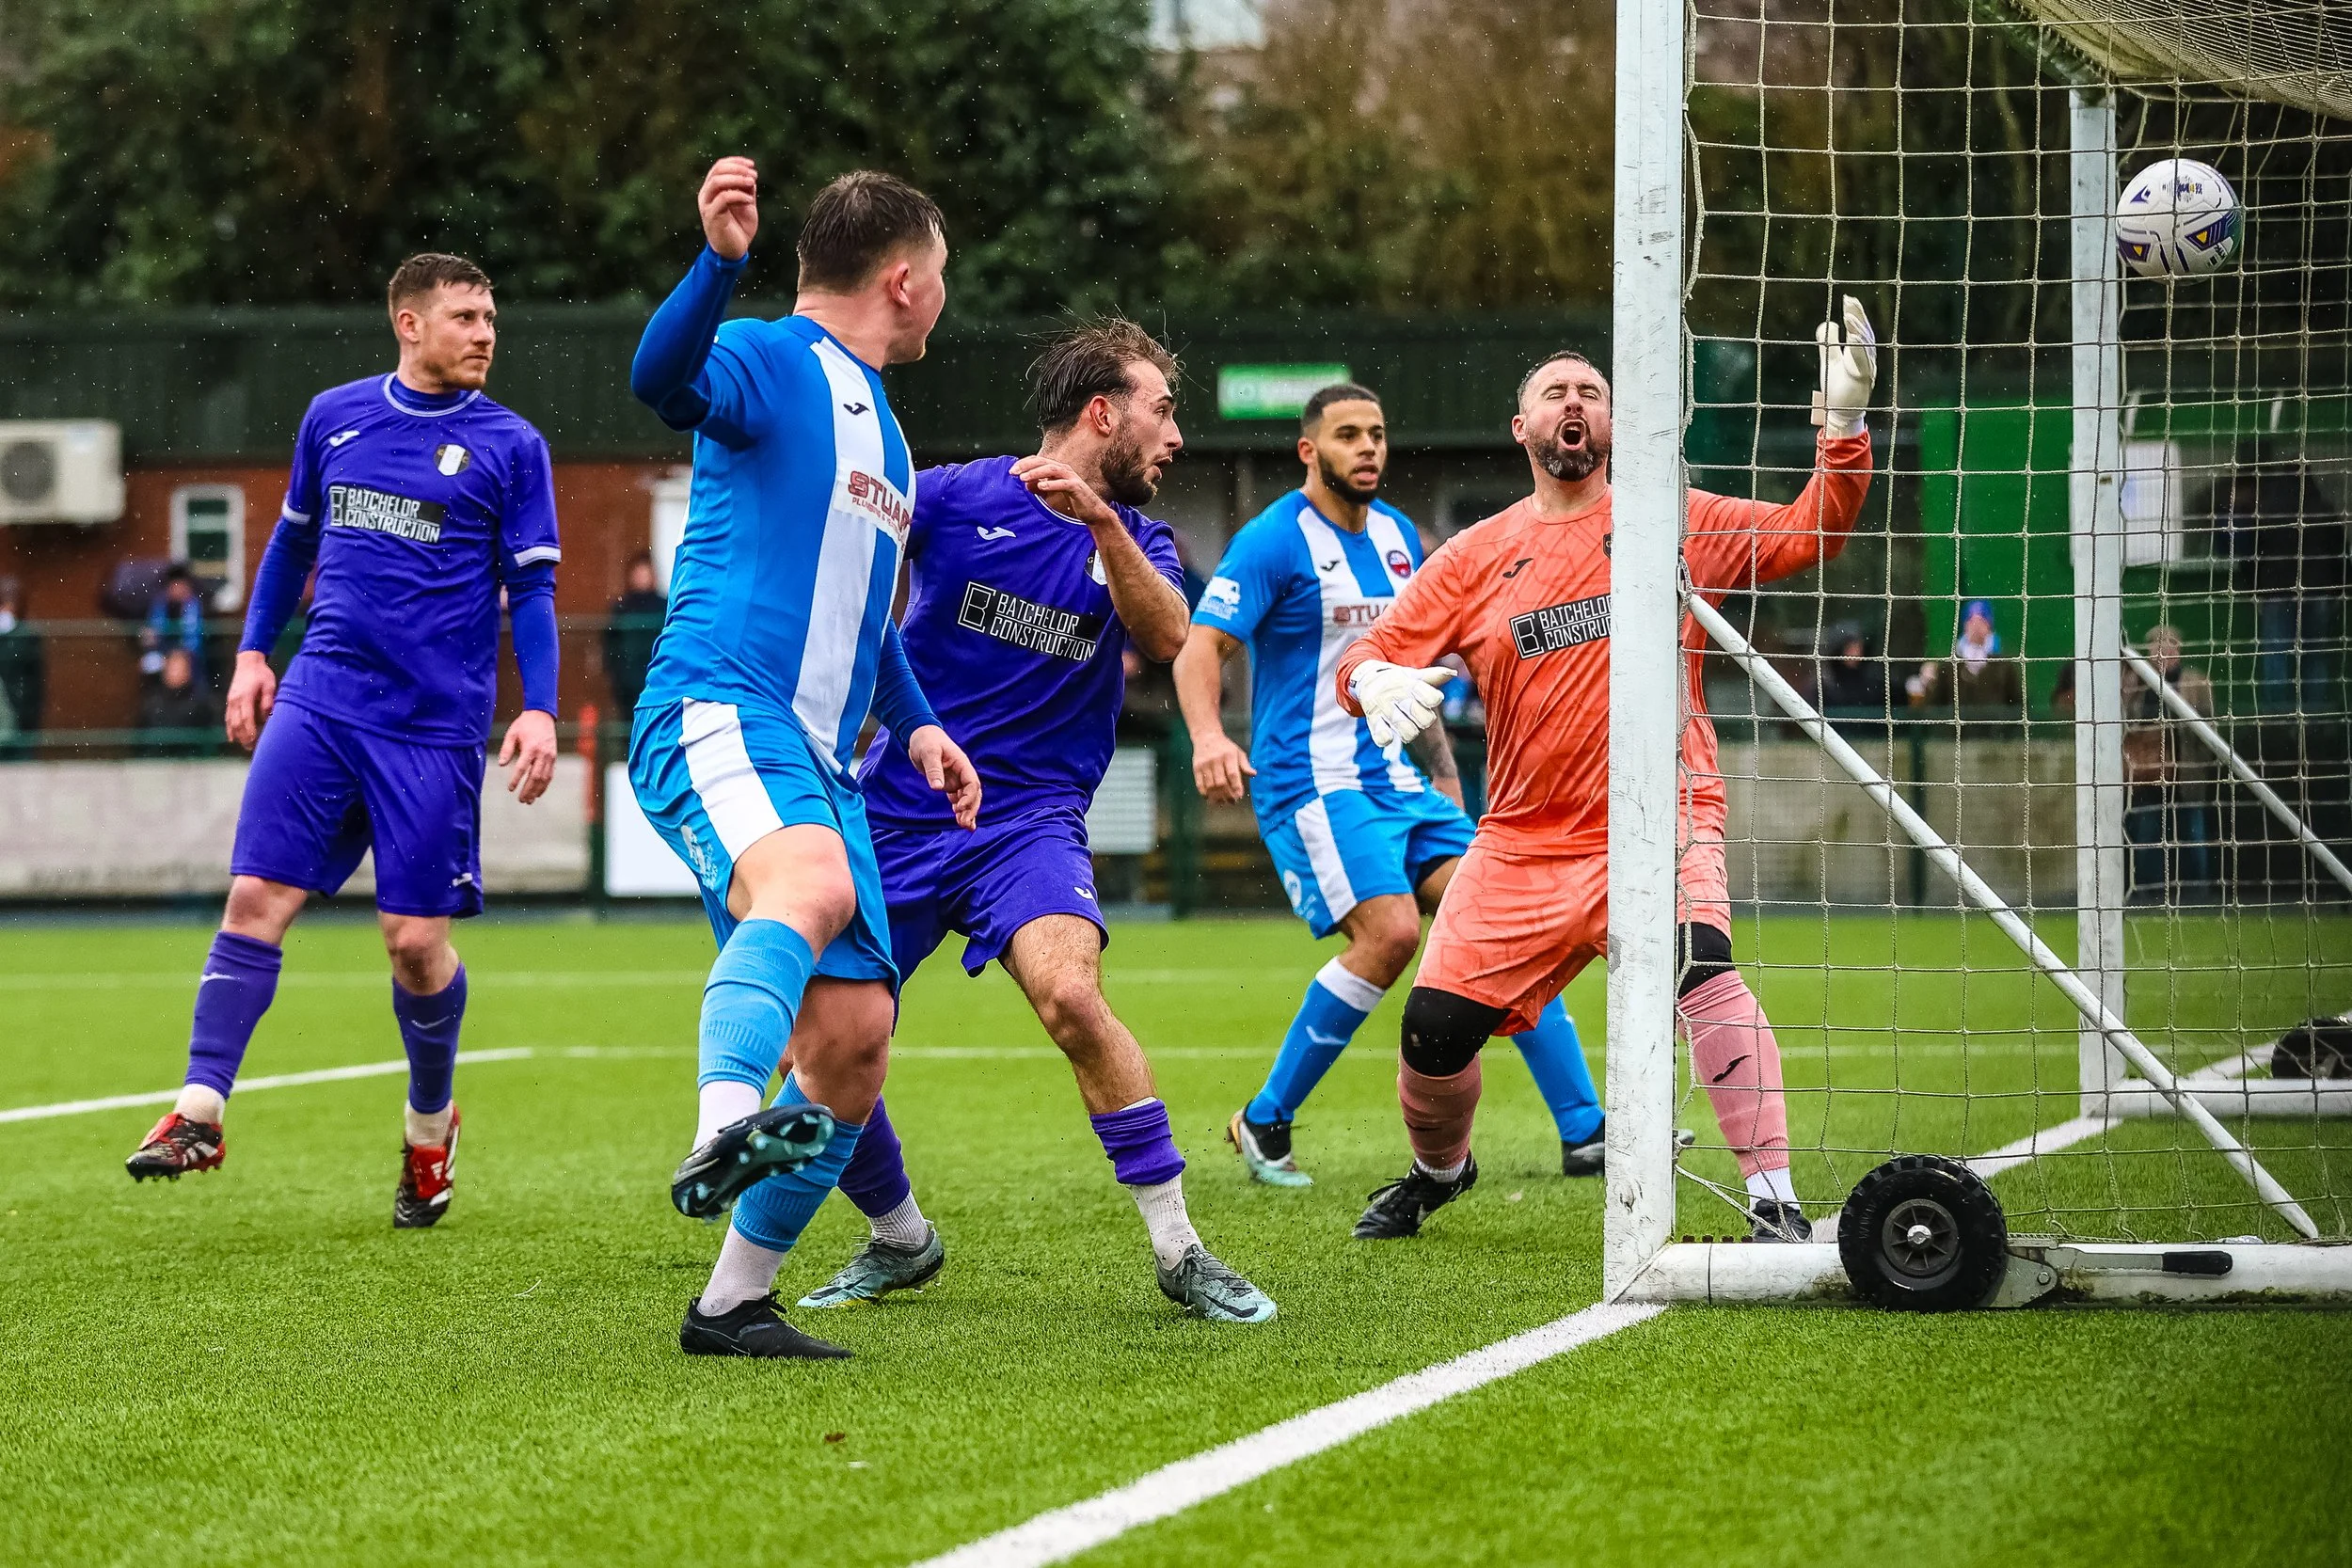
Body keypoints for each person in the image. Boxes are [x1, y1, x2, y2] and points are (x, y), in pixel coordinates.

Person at [1329, 298, 1878, 1243]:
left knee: (1702, 970)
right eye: (1554, 393)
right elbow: (1367, 653)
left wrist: (1844, 428)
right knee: (1431, 1031)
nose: (1573, 403)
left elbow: (1810, 532)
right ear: (1523, 427)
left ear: (1615, 423)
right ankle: (1439, 1171)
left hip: (1661, 816)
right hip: (1522, 843)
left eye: (1591, 391)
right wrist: (1370, 678)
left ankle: (1774, 1196)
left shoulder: (1675, 520)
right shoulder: (1477, 553)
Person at [797, 319, 1274, 1323]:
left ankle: (1180, 1249)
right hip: (898, 805)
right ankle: (899, 1235)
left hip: (1030, 820)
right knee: (828, 1039)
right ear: (1101, 411)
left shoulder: (1137, 539)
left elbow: (1168, 633)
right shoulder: (956, 495)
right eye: (1163, 410)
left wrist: (1101, 521)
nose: (1175, 436)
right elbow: (842, 554)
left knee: (1070, 996)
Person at [124, 253, 564, 1235]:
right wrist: (249, 653)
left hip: (433, 727)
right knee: (256, 896)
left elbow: (531, 587)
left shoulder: (512, 445)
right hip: (321, 700)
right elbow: (290, 543)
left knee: (414, 945)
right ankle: (200, 1108)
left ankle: (428, 1124)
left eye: (492, 314)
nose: (486, 331)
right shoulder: (334, 417)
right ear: (409, 324)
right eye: (465, 315)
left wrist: (539, 705)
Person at [627, 160, 981, 1360]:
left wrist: (922, 721)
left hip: (824, 760)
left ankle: (731, 1305)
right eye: (940, 276)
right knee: (810, 887)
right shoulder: (777, 357)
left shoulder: (884, 425)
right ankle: (723, 1118)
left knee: (853, 1040)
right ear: (902, 279)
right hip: (721, 705)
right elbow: (658, 380)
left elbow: (865, 618)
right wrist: (717, 260)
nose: (945, 297)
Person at [1176, 382, 1608, 1189]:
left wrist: (1444, 776)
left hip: (1399, 782)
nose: (1368, 448)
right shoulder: (1273, 541)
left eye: (1377, 432)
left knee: (1511, 927)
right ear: (1310, 451)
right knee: (1392, 936)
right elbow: (1200, 649)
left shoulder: (1403, 537)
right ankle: (1266, 1120)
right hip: (1314, 783)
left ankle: (1587, 1132)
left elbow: (1420, 669)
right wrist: (1207, 736)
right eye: (1347, 435)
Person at [2213, 453, 2347, 715]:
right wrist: (2339, 589)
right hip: (2316, 592)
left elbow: (2251, 555)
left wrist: (2253, 590)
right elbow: (2340, 553)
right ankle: (2314, 715)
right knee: (2315, 654)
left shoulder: (2267, 513)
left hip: (2276, 593)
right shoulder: (2324, 511)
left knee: (2275, 654)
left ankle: (2277, 716)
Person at [2123, 624, 2217, 900]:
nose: (2163, 650)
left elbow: (2210, 729)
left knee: (2192, 832)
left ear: (2179, 649)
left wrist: (2200, 761)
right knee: (2147, 834)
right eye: (2156, 646)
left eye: (2169, 645)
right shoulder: (2138, 682)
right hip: (2149, 771)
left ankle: (2198, 890)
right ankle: (2149, 890)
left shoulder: (2196, 682)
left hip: (2186, 771)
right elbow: (2127, 717)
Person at [1905, 599, 2022, 715]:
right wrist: (1928, 685)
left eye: (1981, 621)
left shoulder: (2004, 665)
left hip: (1993, 732)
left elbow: (2016, 704)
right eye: (1971, 621)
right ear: (1965, 625)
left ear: (1989, 625)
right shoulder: (1950, 665)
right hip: (1959, 732)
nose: (1976, 627)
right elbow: (1935, 706)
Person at [601, 549, 666, 715]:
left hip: (657, 678)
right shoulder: (621, 608)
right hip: (628, 684)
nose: (642, 577)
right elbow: (610, 645)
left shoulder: (664, 606)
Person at [136, 646, 220, 755]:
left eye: (181, 667)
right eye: (172, 667)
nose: (176, 672)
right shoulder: (152, 702)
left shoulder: (202, 703)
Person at [140, 564, 207, 684]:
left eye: (181, 585)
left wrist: (181, 655)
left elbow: (194, 639)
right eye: (174, 585)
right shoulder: (160, 604)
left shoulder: (194, 604)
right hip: (164, 654)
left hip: (189, 656)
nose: (177, 589)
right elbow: (153, 630)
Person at [0, 576, 44, 750]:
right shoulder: (28, 637)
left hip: (18, 720)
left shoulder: (27, 637)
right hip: (19, 718)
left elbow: (35, 685)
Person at [1816, 627, 1888, 733]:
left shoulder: (1873, 680)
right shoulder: (1826, 684)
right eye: (1850, 648)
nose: (1855, 654)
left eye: (1858, 648)